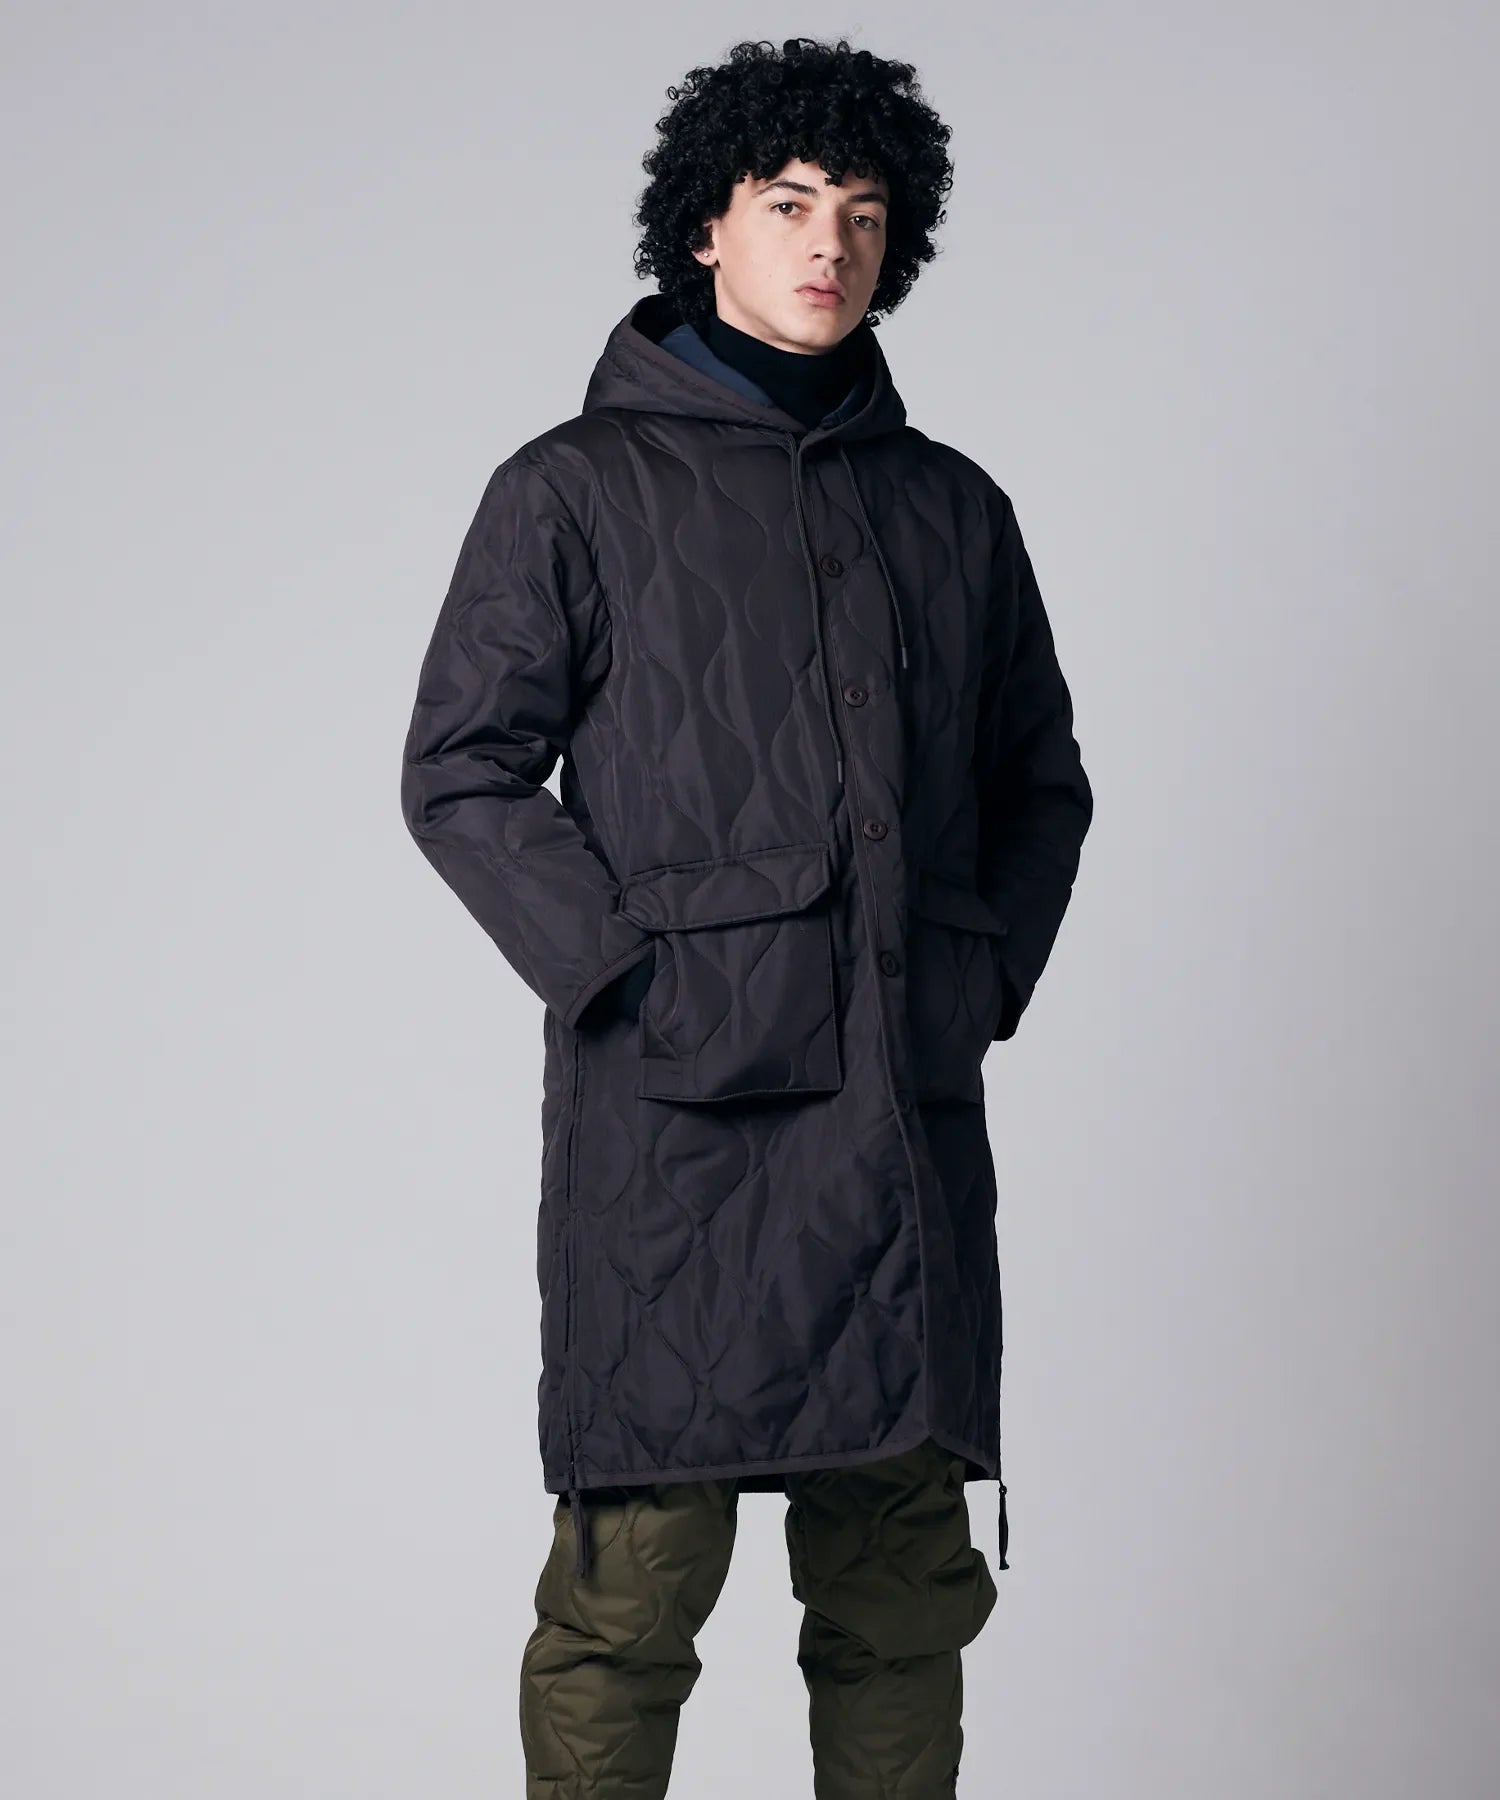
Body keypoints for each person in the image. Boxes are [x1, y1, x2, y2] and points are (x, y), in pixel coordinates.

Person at [399, 34, 1093, 1799]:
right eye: (787, 204)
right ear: (703, 227)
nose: (827, 244)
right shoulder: (572, 488)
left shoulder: (953, 507)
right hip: (678, 1143)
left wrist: (977, 977)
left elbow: (1042, 784)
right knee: (627, 1607)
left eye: (862, 212)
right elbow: (463, 770)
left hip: (900, 1131)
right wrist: (620, 973)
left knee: (904, 1602)